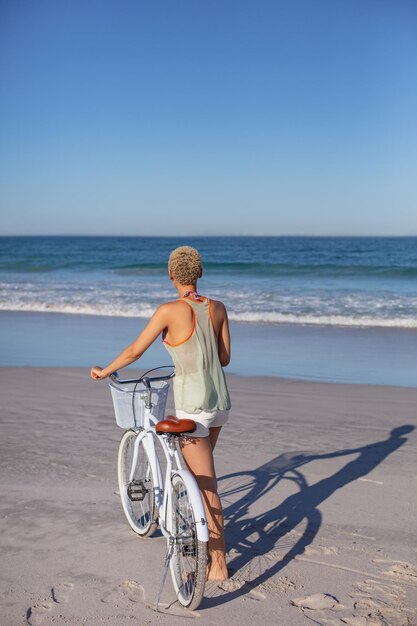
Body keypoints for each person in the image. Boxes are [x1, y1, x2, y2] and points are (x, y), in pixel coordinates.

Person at [90, 245, 232, 581]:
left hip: (192, 407)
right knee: (196, 476)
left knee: (205, 485)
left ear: (171, 275)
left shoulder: (170, 309)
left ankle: (219, 563)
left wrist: (104, 370)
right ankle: (190, 525)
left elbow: (135, 351)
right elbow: (224, 359)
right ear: (199, 273)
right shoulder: (219, 308)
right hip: (220, 405)